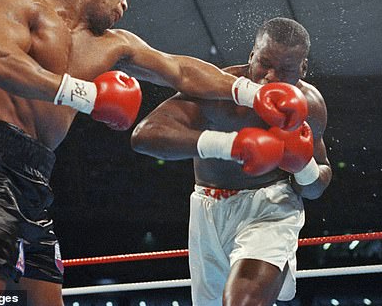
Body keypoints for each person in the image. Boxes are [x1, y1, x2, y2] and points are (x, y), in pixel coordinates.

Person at [0, 0, 309, 306]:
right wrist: (85, 96)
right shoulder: (17, 0)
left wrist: (249, 92)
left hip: (35, 178)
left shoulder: (113, 44)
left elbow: (180, 71)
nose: (125, 1)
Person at [131, 17, 332, 306]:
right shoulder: (219, 91)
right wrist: (231, 146)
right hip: (207, 209)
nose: (271, 78)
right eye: (264, 64)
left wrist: (303, 166)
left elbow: (316, 187)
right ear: (251, 55)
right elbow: (144, 135)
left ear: (303, 68)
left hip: (271, 208)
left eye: (286, 69)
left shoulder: (309, 105)